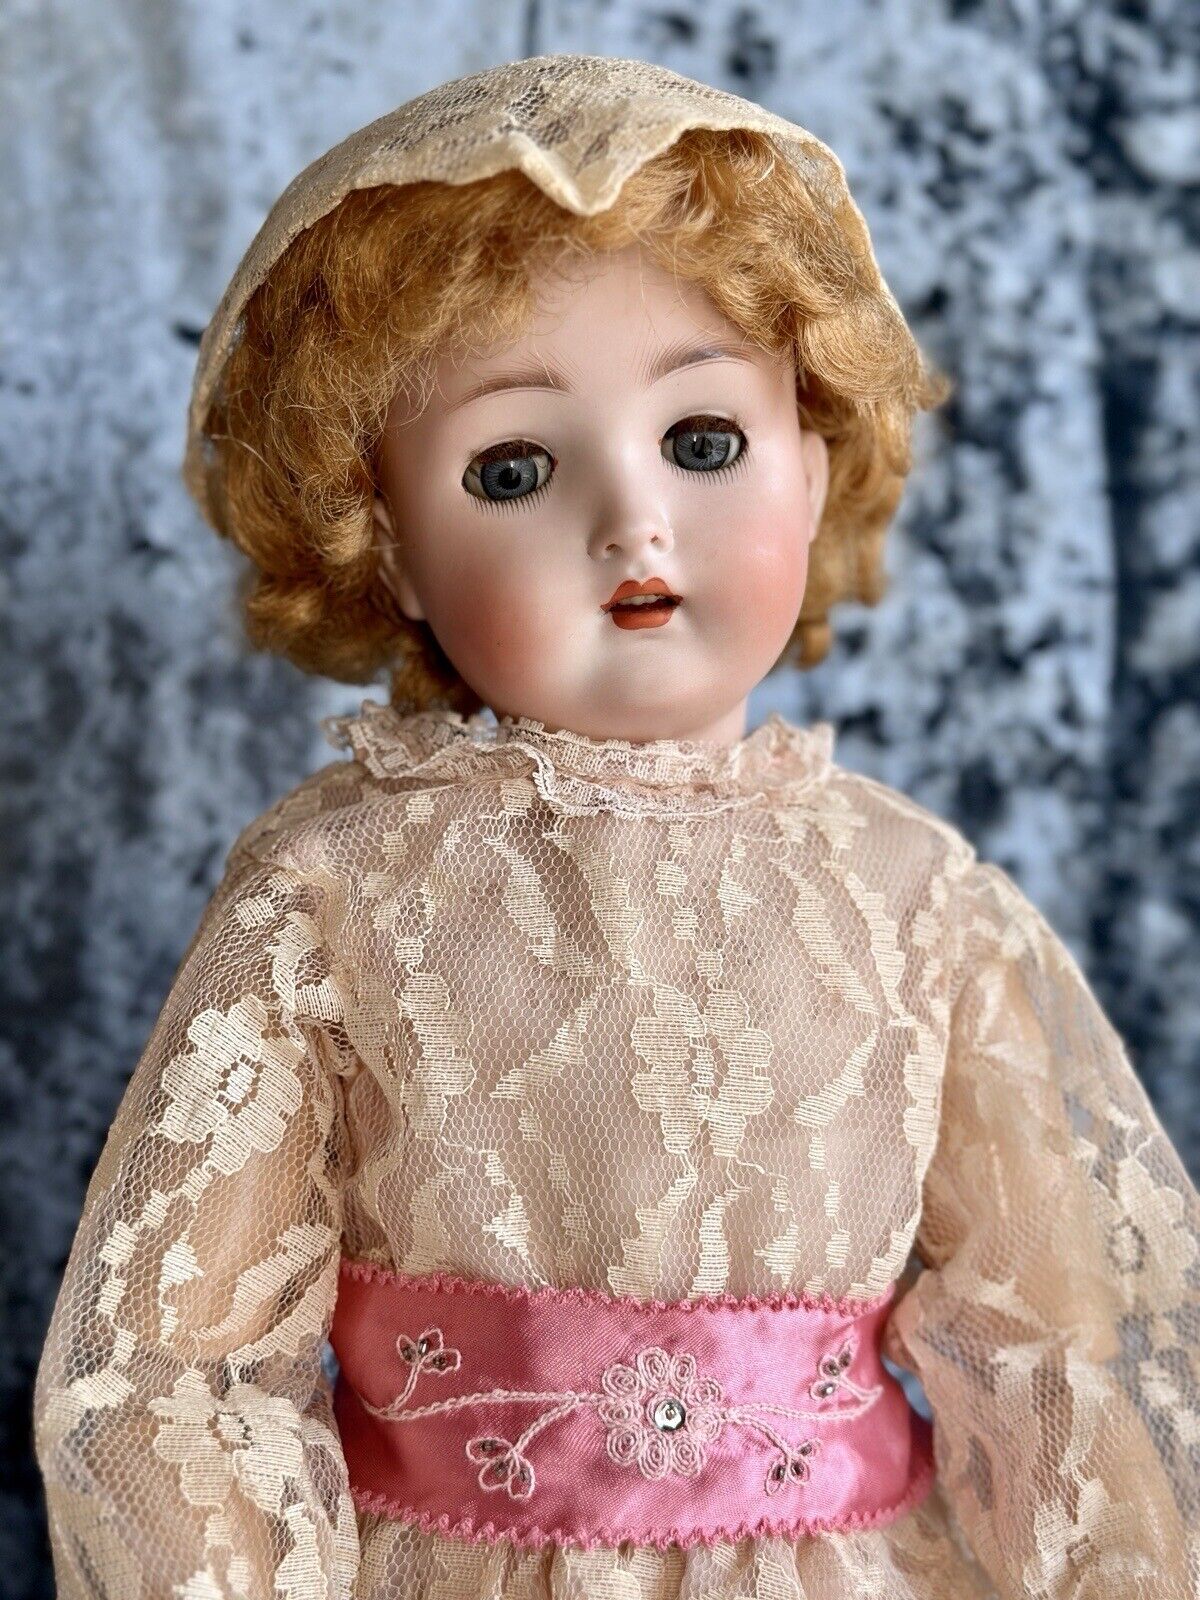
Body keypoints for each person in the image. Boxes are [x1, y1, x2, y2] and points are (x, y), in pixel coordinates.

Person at [33, 54, 1199, 1599]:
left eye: (702, 440)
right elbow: (174, 1364)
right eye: (512, 469)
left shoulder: (912, 898)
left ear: (813, 462)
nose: (630, 521)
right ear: (387, 546)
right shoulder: (334, 892)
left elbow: (1062, 1347)